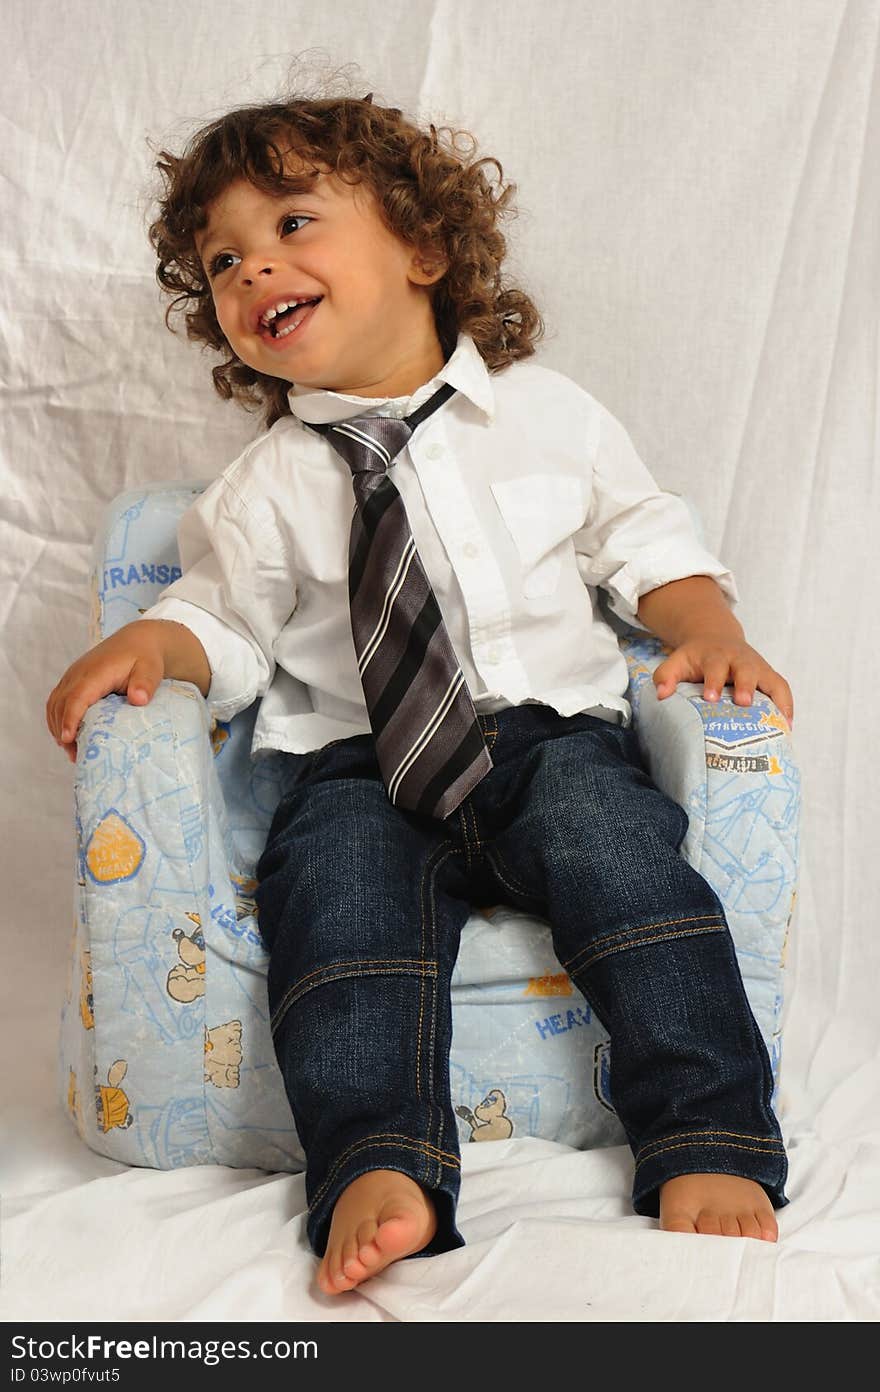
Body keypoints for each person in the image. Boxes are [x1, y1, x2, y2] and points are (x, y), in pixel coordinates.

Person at [46, 93, 794, 1296]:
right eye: (224, 261)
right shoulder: (267, 485)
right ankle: (377, 1163)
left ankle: (707, 1133)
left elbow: (643, 541)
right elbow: (222, 618)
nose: (255, 270)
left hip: (553, 745)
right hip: (356, 769)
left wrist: (704, 625)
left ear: (424, 249)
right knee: (337, 922)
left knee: (633, 873)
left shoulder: (548, 416)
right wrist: (155, 646)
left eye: (294, 223)